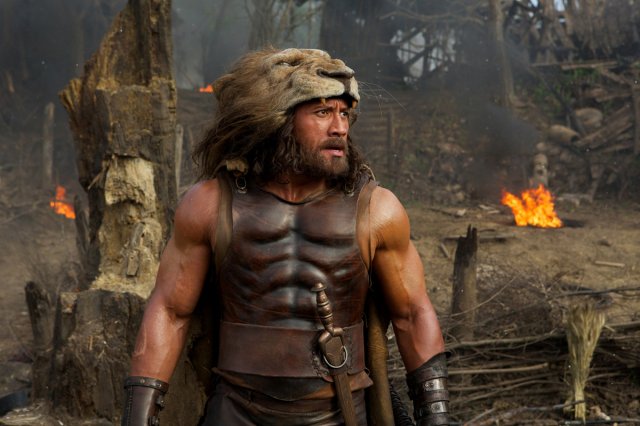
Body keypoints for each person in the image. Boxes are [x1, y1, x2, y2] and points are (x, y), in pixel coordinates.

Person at [122, 47, 449, 426]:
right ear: (279, 119)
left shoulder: (377, 210)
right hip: (234, 412)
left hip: (340, 412)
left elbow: (412, 314)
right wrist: (138, 416)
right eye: (323, 112)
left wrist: (436, 417)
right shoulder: (211, 203)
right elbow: (170, 310)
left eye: (345, 113)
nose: (340, 128)